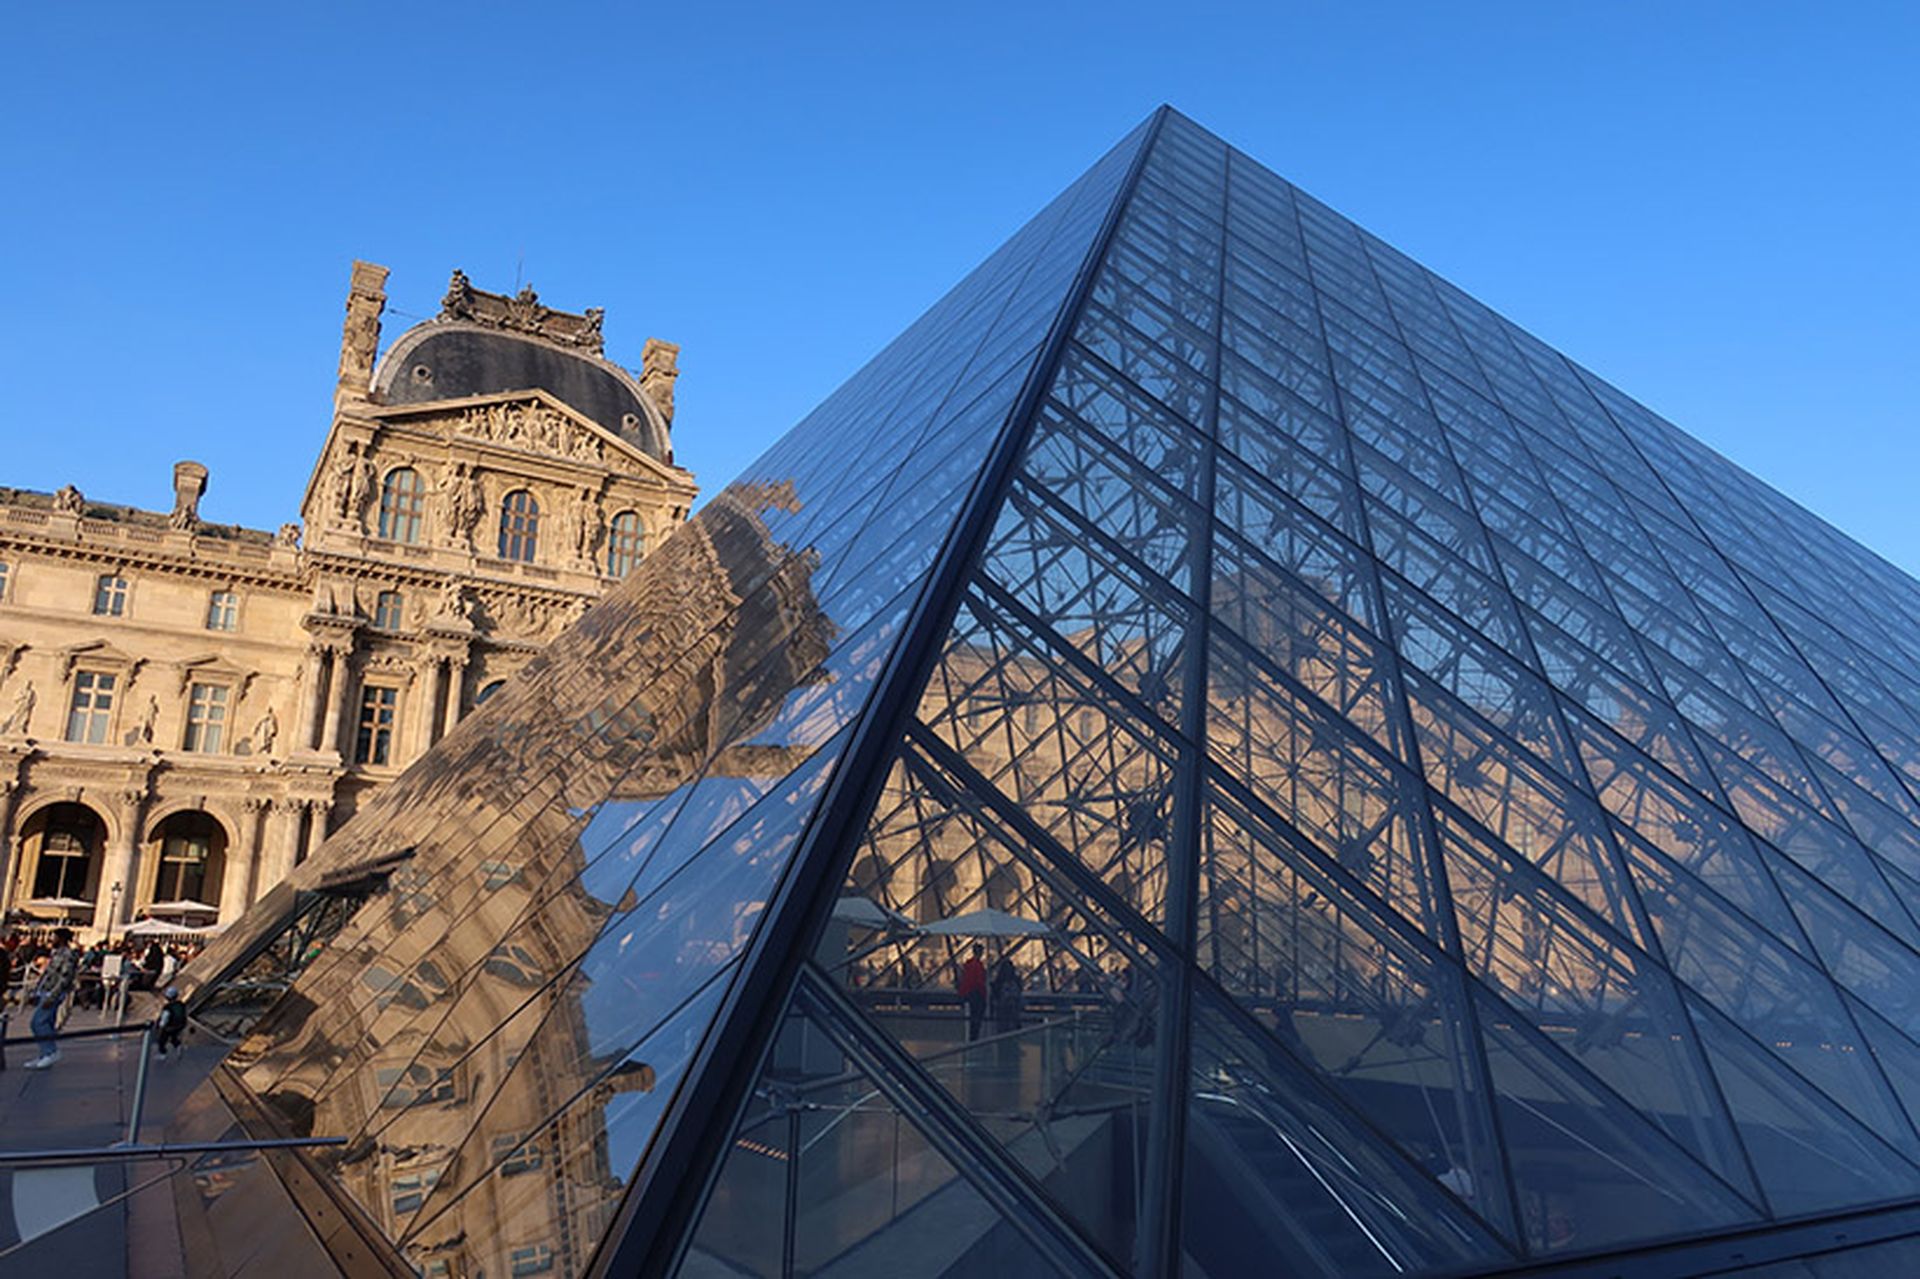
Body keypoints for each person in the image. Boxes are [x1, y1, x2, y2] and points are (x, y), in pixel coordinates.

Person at [23, 927, 77, 1069]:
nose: (51, 940)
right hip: (45, 991)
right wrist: (36, 992)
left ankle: (51, 1051)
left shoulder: (68, 955)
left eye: (54, 937)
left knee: (37, 1023)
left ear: (62, 939)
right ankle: (45, 1054)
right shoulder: (56, 953)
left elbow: (65, 978)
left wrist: (53, 996)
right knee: (47, 1023)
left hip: (52, 994)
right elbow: (47, 975)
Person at [957, 944, 987, 1042]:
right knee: (977, 1017)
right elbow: (979, 982)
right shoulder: (978, 965)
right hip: (976, 994)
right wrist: (984, 993)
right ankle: (974, 1037)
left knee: (972, 1018)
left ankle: (972, 1037)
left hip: (968, 993)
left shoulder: (968, 965)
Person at [990, 956, 1023, 1036]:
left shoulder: (999, 983)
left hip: (1002, 1012)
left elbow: (994, 998)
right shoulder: (1015, 982)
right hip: (1013, 1012)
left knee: (1002, 1033)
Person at [155, 986, 188, 1059]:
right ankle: (177, 1046)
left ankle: (162, 1053)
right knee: (173, 1037)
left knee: (162, 1040)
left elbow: (164, 1020)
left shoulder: (167, 1007)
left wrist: (160, 1026)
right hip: (181, 1025)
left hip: (170, 1027)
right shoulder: (181, 1004)